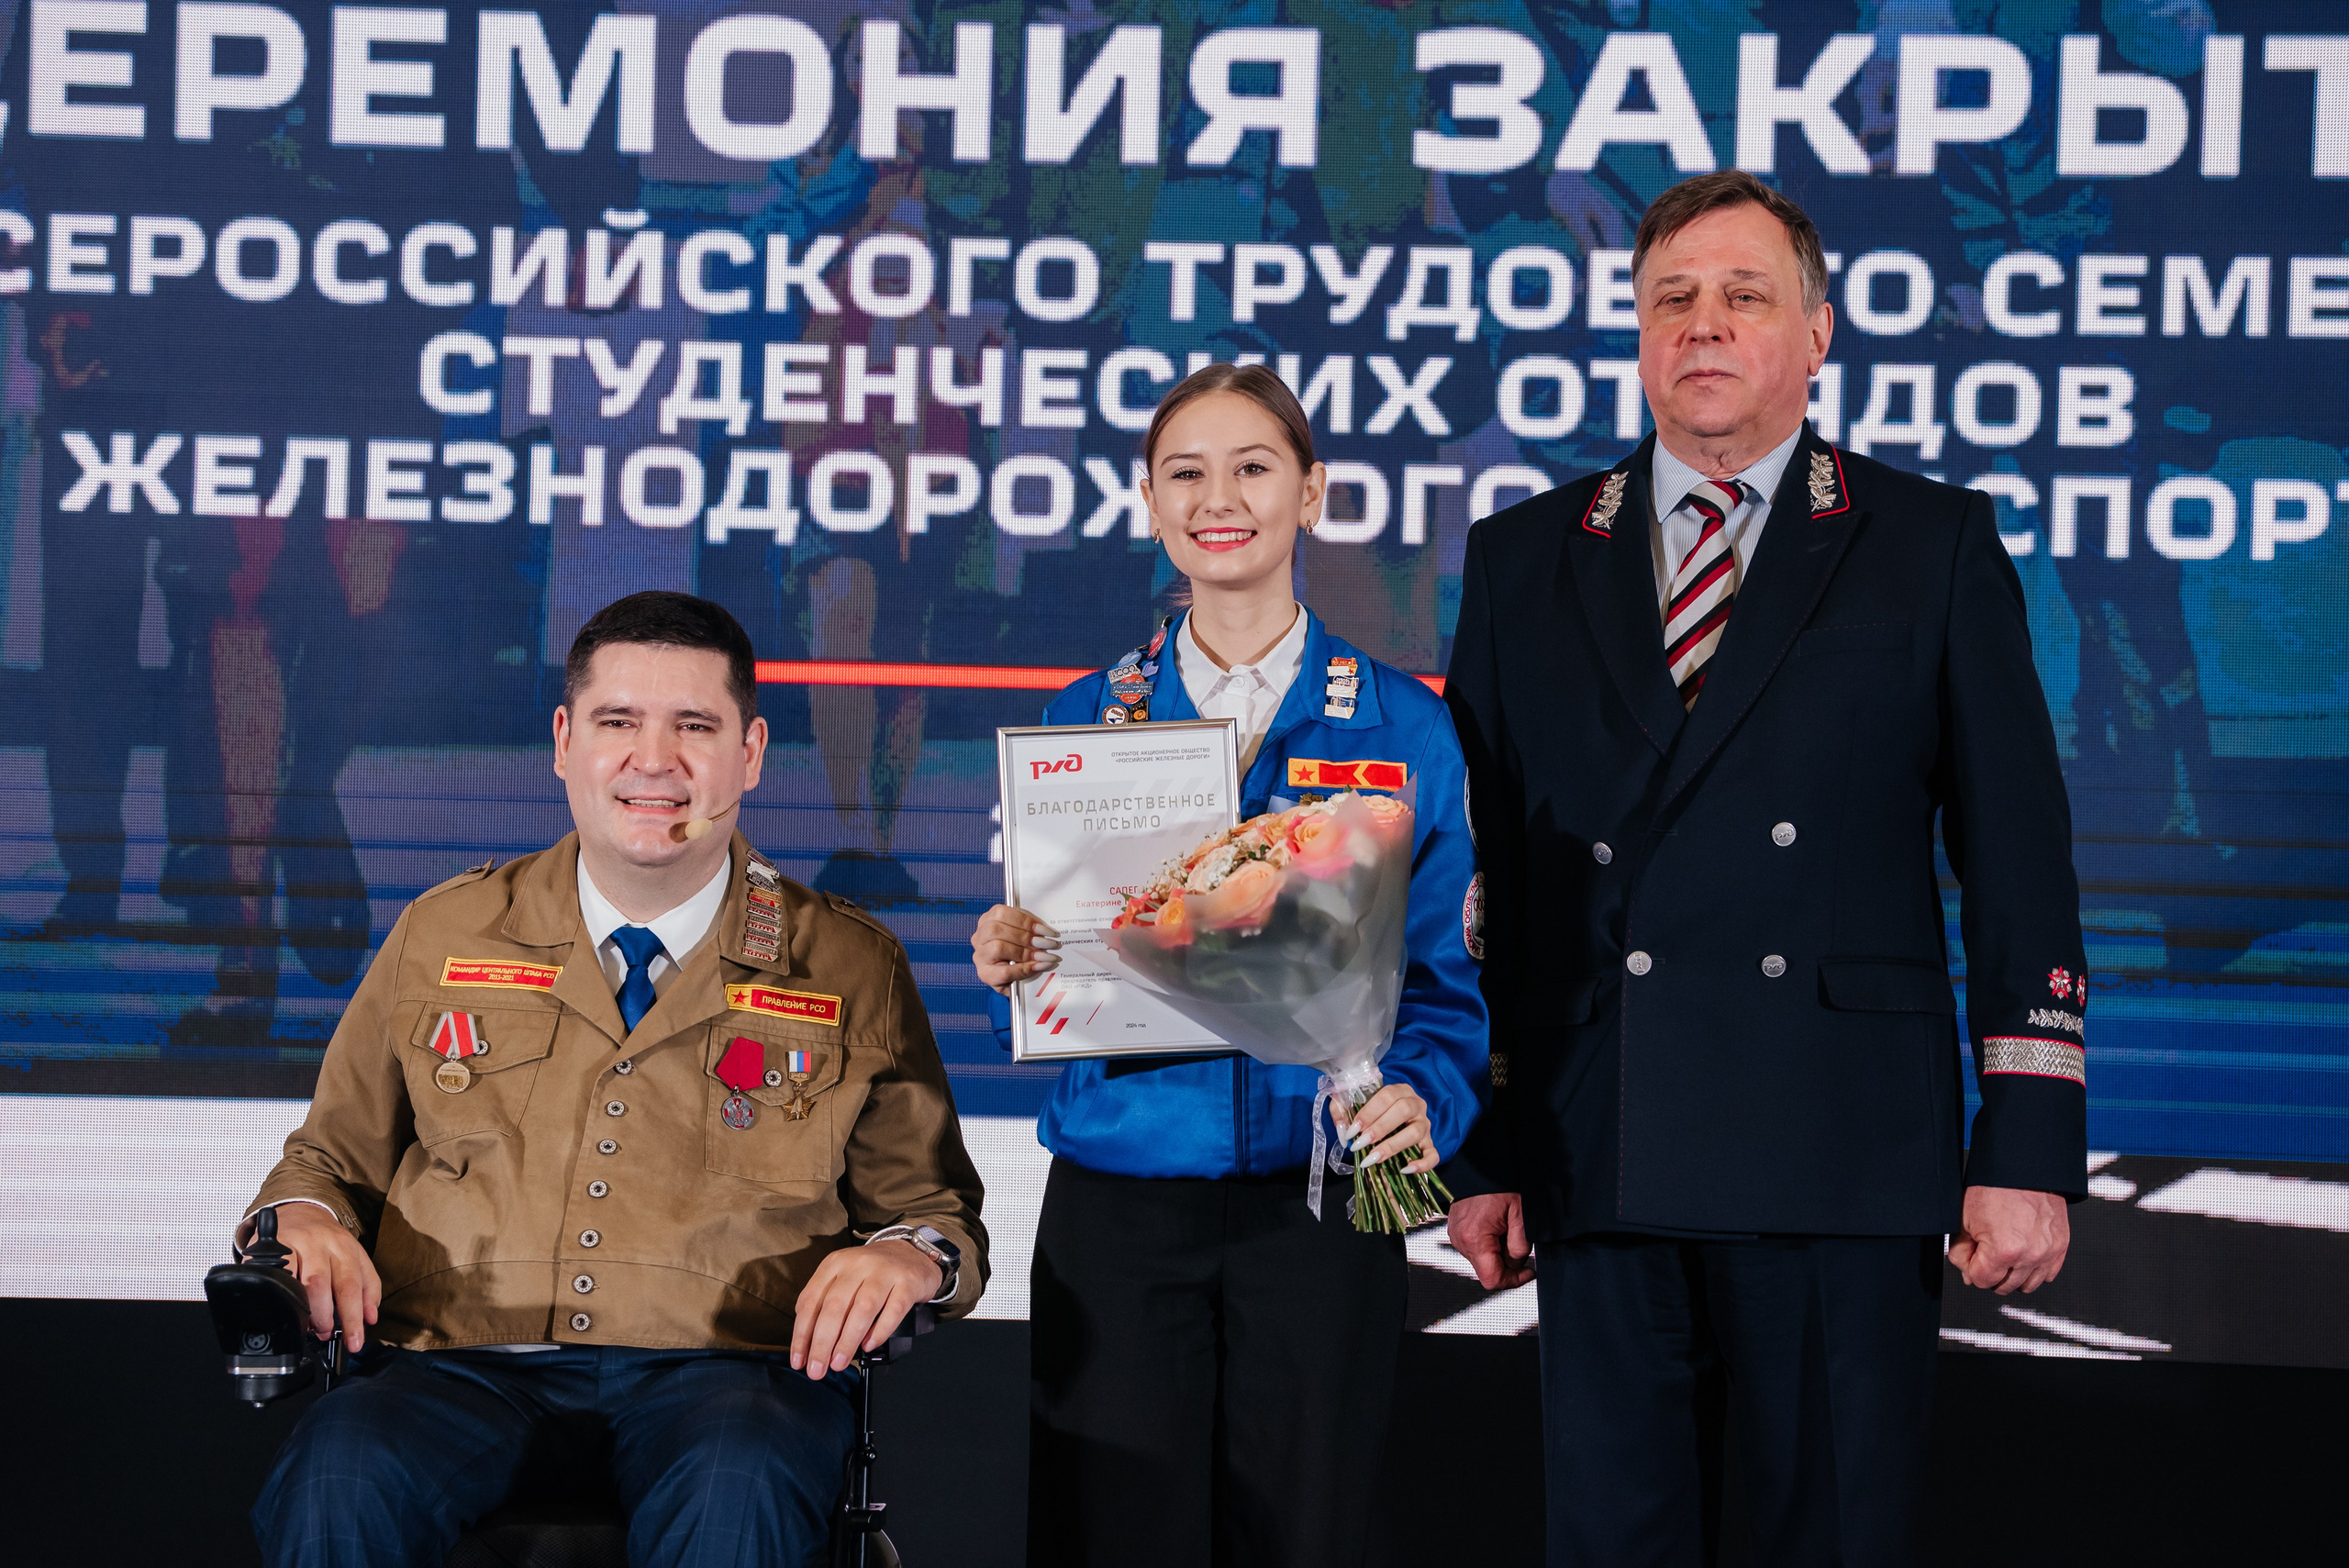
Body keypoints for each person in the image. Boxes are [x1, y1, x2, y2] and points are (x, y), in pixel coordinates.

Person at [1442, 170, 2087, 1565]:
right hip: (1598, 1135)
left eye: (1746, 295)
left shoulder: (1932, 543)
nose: (1705, 325)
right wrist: (1483, 1144)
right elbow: (1484, 889)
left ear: (1818, 332)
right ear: (1634, 330)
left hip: (1844, 1152)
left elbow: (2018, 857)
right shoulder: (1521, 556)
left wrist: (2026, 1141)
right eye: (1672, 298)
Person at [239, 591, 987, 1568]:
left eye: (695, 726)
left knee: (740, 1481)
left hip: (732, 1372)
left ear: (751, 752)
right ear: (563, 739)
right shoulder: (444, 931)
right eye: (619, 721)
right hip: (457, 1363)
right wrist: (300, 1217)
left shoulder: (847, 960)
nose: (654, 759)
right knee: (339, 1468)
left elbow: (933, 1209)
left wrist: (908, 1256)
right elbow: (326, 1161)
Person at [968, 364, 1487, 1568]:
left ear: (1311, 494)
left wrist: (1433, 1098)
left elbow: (1448, 981)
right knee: (1113, 1534)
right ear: (1148, 502)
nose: (1221, 497)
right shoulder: (1088, 717)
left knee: (1306, 1535)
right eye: (1185, 473)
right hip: (1120, 1199)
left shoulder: (1403, 725)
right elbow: (1065, 952)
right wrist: (1017, 951)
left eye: (1253, 467)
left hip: (1319, 1201)